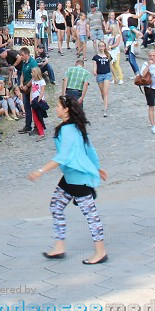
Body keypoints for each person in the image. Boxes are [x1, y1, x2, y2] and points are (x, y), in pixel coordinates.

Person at [28, 95, 108, 265]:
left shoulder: (69, 129)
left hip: (78, 178)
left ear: (66, 109)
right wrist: (97, 166)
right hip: (70, 177)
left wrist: (41, 171)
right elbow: (89, 148)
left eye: (58, 106)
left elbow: (63, 156)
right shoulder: (74, 127)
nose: (55, 108)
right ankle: (59, 246)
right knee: (56, 206)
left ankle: (100, 252)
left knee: (91, 216)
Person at [90, 42, 112, 117]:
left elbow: (111, 66)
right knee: (102, 92)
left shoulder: (108, 56)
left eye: (102, 46)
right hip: (99, 75)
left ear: (105, 47)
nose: (101, 47)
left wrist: (115, 75)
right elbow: (94, 66)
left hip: (107, 74)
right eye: (100, 46)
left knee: (105, 92)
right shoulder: (95, 57)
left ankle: (105, 109)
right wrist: (94, 71)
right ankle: (105, 102)